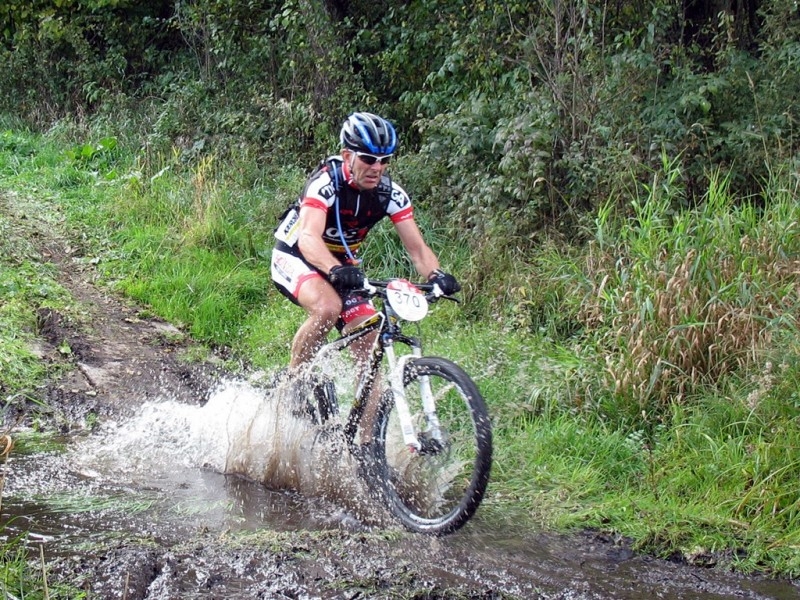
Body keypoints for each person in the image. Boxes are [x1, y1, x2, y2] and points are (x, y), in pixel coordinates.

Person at [271, 111, 460, 432]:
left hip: (342, 266)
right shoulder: (325, 183)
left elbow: (418, 249)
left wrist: (437, 275)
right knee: (328, 307)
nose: (377, 167)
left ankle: (365, 447)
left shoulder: (390, 194)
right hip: (296, 255)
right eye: (369, 158)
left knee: (371, 344)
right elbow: (308, 238)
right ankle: (294, 385)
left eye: (385, 160)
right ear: (348, 155)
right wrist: (334, 268)